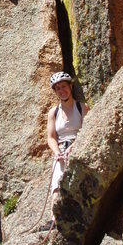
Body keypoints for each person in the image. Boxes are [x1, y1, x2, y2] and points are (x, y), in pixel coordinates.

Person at [40, 71, 89, 230]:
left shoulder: (82, 108)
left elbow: (87, 130)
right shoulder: (54, 113)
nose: (62, 91)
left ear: (70, 86)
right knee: (57, 182)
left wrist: (74, 147)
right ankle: (54, 219)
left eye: (64, 87)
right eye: (58, 88)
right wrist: (57, 152)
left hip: (79, 146)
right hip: (61, 149)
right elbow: (51, 137)